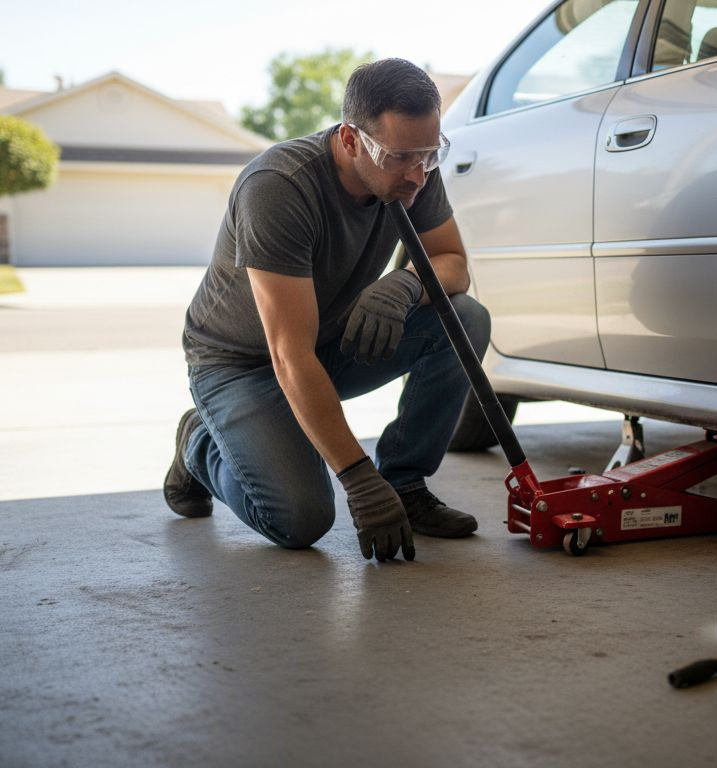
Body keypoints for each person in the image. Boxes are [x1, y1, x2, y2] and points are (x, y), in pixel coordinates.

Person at [162, 58, 490, 563]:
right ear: (350, 138)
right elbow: (288, 353)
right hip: (240, 365)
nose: (417, 174)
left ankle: (404, 483)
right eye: (401, 156)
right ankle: (201, 442)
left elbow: (453, 265)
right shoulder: (278, 186)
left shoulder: (413, 172)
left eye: (429, 153)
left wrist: (402, 286)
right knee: (301, 519)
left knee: (464, 318)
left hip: (328, 342)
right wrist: (358, 478)